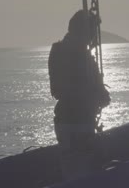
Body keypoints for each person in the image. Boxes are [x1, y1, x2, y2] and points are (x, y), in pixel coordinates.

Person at [48, 10, 110, 179]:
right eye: (92, 33)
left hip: (72, 122)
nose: (93, 38)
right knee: (80, 172)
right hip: (74, 123)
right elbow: (61, 90)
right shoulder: (77, 55)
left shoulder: (63, 51)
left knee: (76, 170)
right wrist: (95, 94)